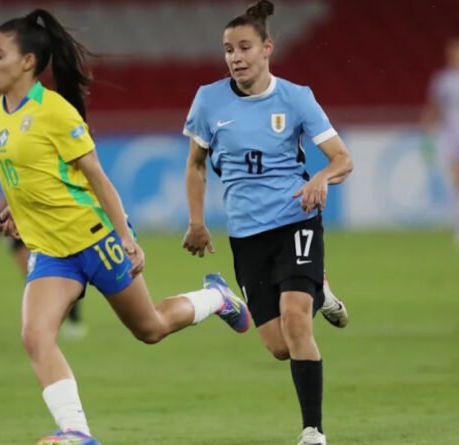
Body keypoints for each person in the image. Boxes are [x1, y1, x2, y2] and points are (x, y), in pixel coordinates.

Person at [0, 9, 250, 445]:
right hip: (52, 253)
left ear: (28, 62)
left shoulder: (56, 112)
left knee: (151, 329)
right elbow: (30, 173)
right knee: (35, 337)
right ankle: (77, 433)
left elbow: (97, 177)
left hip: (95, 241)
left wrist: (126, 237)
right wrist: (19, 210)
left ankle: (215, 297)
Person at [182, 2, 353, 443]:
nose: (235, 57)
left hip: (295, 217)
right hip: (245, 232)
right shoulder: (208, 100)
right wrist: (196, 222)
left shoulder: (296, 97)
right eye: (227, 50)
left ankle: (313, 431)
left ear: (266, 49)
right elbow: (196, 164)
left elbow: (342, 159)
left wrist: (320, 177)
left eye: (243, 48)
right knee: (279, 347)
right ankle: (319, 289)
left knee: (297, 320)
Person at [0, 68, 88, 340]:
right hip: (8, 208)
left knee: (56, 260)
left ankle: (68, 313)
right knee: (28, 263)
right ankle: (52, 320)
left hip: (41, 204)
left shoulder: (30, 115)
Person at [422, 37, 459, 246]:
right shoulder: (443, 80)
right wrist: (427, 127)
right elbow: (435, 107)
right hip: (452, 135)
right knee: (458, 180)